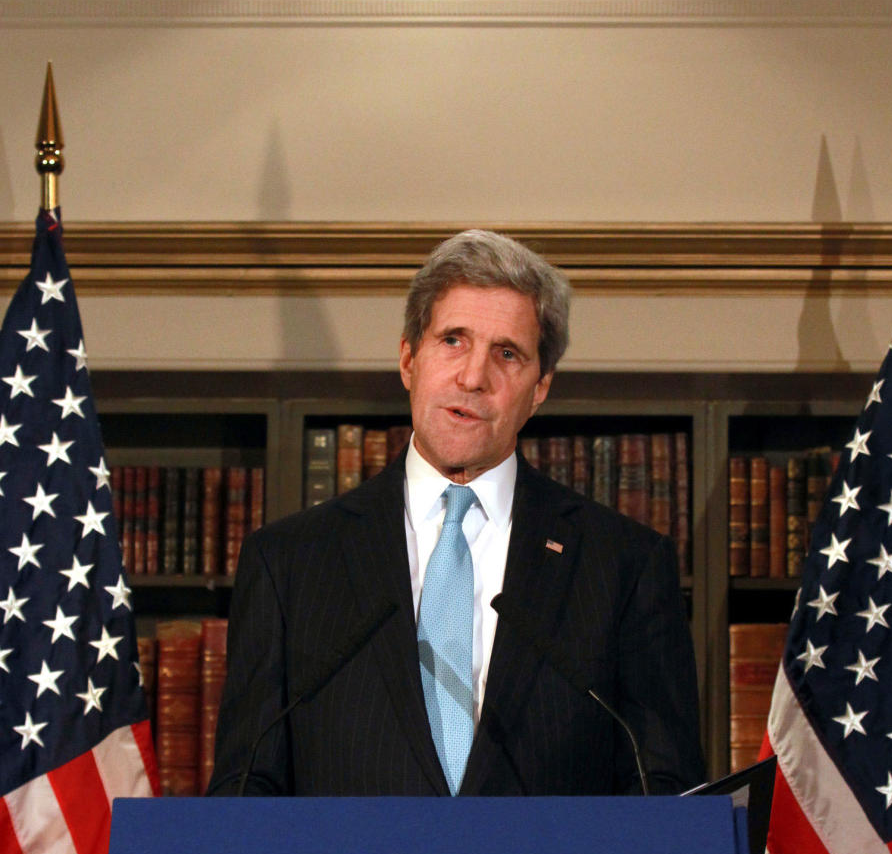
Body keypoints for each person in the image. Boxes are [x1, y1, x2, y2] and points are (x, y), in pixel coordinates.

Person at [207, 230, 704, 797]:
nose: (473, 377)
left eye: (507, 354)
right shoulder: (289, 564)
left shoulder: (625, 566)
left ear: (540, 388)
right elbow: (246, 790)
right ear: (407, 359)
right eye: (452, 341)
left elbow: (664, 793)